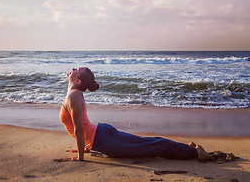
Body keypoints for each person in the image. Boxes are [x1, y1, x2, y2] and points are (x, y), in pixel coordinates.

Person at [59, 67, 214, 161]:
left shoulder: (73, 96)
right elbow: (80, 126)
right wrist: (85, 147)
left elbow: (80, 129)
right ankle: (186, 149)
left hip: (103, 138)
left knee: (154, 146)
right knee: (150, 143)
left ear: (78, 81)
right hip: (100, 136)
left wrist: (80, 157)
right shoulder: (73, 94)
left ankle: (195, 153)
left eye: (76, 70)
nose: (73, 69)